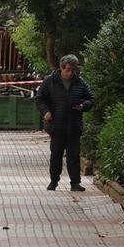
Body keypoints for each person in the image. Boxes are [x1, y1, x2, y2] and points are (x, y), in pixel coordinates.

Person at [36, 55, 95, 191]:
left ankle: (75, 183)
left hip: (74, 125)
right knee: (56, 154)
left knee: (74, 155)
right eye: (68, 70)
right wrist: (46, 112)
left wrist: (83, 105)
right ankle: (53, 181)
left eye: (73, 70)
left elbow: (91, 99)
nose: (70, 73)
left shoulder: (80, 82)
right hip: (56, 125)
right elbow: (40, 99)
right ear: (61, 68)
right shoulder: (50, 81)